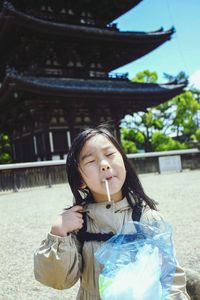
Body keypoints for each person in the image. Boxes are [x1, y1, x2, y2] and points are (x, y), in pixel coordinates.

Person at [34, 125, 190, 299]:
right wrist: (58, 235)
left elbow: (171, 277)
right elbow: (59, 280)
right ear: (80, 180)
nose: (104, 165)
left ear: (123, 162)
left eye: (109, 155)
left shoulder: (148, 219)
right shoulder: (78, 224)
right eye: (91, 161)